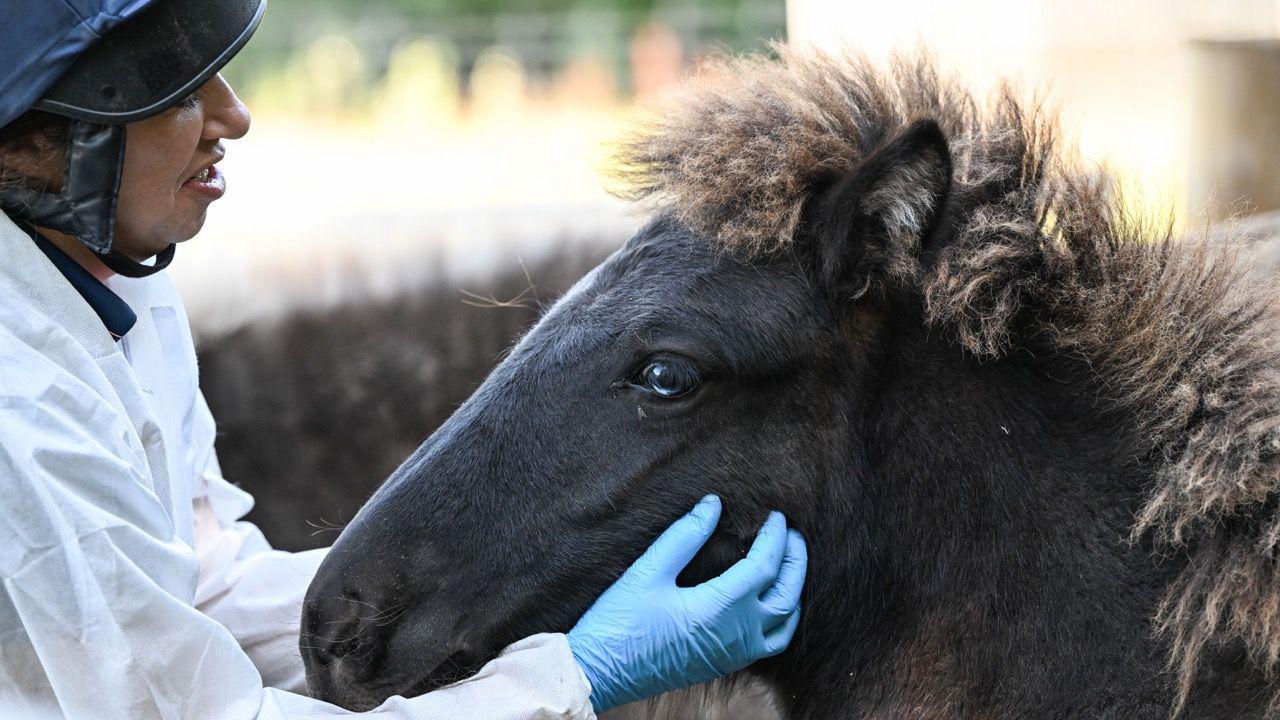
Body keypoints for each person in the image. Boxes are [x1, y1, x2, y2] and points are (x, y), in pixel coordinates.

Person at [0, 2, 809, 719]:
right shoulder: (22, 402)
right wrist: (578, 676)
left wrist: (467, 595)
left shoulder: (110, 275)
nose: (234, 115)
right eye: (177, 95)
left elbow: (201, 590)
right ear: (52, 141)